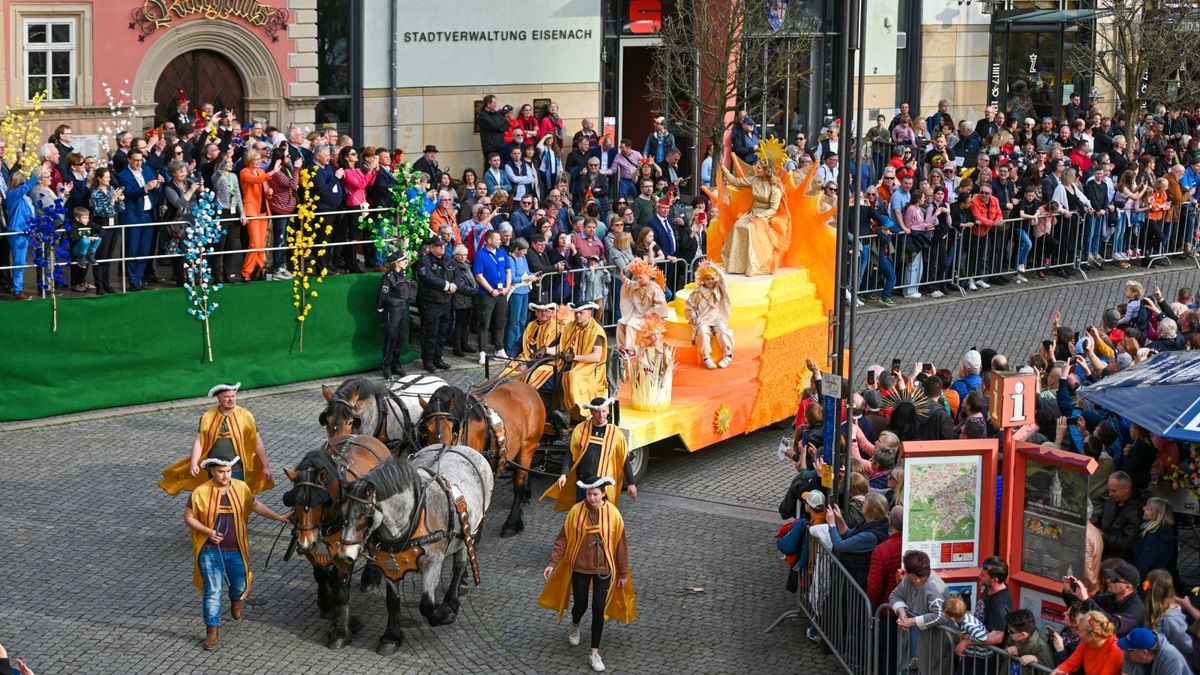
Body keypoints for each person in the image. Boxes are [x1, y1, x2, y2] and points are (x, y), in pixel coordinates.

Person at [183, 444, 291, 651]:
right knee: (212, 592)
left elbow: (255, 505)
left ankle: (236, 600)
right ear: (212, 471)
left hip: (236, 550)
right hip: (210, 552)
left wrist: (278, 517)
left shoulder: (241, 488)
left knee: (240, 585)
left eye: (228, 471)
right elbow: (188, 517)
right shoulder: (200, 493)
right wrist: (207, 532)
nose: (225, 475)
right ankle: (212, 631)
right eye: (221, 471)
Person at [539, 476, 636, 673]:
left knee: (599, 608)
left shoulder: (614, 514)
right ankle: (575, 623)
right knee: (580, 605)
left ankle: (594, 652)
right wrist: (552, 562)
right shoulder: (576, 511)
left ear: (603, 494)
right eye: (588, 494)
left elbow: (620, 544)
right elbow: (563, 538)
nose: (591, 498)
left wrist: (623, 572)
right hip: (580, 567)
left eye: (595, 494)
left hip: (604, 569)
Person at [159, 383, 276, 496]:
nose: (231, 399)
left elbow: (257, 442)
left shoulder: (246, 415)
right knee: (216, 498)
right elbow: (199, 442)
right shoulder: (208, 416)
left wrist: (265, 466)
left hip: (237, 468)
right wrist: (194, 462)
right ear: (219, 398)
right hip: (214, 469)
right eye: (226, 397)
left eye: (233, 396)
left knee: (238, 498)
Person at [544, 397, 638, 512]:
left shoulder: (616, 434)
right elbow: (570, 453)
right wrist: (564, 474)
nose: (601, 415)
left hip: (603, 487)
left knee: (602, 518)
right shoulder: (580, 429)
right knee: (581, 516)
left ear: (607, 411)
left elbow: (624, 459)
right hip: (582, 484)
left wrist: (631, 483)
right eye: (598, 412)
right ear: (591, 412)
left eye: (604, 411)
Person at [890, 550, 951, 675]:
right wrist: (902, 612)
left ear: (912, 574)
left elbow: (940, 615)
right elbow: (895, 595)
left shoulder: (933, 588)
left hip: (933, 646)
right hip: (915, 646)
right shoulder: (909, 580)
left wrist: (911, 621)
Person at [720, 160, 783, 276]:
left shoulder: (775, 187)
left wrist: (758, 216)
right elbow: (735, 181)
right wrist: (723, 168)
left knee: (750, 228)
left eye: (759, 168)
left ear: (766, 170)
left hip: (765, 215)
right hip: (753, 212)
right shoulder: (754, 179)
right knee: (738, 225)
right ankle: (737, 265)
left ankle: (755, 266)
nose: (756, 169)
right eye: (756, 167)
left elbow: (773, 209)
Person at [1062, 562, 1146, 637]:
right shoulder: (1109, 598)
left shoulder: (1136, 610)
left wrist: (1086, 600)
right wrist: (1069, 592)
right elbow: (1079, 608)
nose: (1108, 580)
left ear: (1128, 587)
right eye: (1109, 577)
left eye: (1114, 579)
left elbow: (1113, 625)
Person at [559, 302, 609, 418]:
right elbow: (561, 348)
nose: (578, 316)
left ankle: (574, 411)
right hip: (571, 362)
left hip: (590, 367)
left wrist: (574, 357)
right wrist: (545, 349)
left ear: (590, 314)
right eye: (576, 313)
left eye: (581, 313)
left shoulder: (597, 331)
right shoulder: (571, 326)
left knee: (573, 375)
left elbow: (596, 357)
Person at [685, 261, 734, 369]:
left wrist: (714, 268)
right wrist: (694, 317)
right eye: (707, 278)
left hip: (717, 318)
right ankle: (706, 357)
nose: (710, 281)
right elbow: (689, 306)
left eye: (712, 278)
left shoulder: (719, 289)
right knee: (702, 330)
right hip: (703, 319)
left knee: (722, 329)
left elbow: (723, 279)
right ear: (703, 279)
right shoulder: (697, 292)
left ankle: (728, 354)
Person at [416, 236, 455, 372]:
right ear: (432, 248)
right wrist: (446, 285)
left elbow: (456, 274)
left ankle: (438, 358)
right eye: (439, 246)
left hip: (446, 302)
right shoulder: (424, 261)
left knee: (442, 333)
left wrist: (454, 284)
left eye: (443, 246)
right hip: (431, 302)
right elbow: (429, 278)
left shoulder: (448, 259)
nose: (442, 248)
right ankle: (428, 361)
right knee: (431, 334)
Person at [473, 229, 512, 364]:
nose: (500, 241)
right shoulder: (481, 255)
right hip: (487, 295)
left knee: (501, 321)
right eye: (497, 239)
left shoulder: (502, 253)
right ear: (489, 240)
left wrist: (507, 287)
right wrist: (490, 290)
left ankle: (499, 349)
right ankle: (482, 352)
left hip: (501, 293)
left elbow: (508, 271)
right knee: (484, 323)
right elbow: (479, 276)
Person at [498, 301, 560, 387]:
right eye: (540, 310)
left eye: (547, 311)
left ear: (551, 313)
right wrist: (511, 357)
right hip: (526, 358)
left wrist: (528, 365)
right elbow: (520, 343)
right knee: (506, 371)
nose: (543, 313)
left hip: (546, 362)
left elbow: (549, 355)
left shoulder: (556, 329)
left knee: (529, 376)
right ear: (536, 313)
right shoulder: (531, 325)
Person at [615, 258, 668, 358]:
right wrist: (624, 279)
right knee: (621, 322)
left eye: (641, 278)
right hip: (638, 314)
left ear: (648, 276)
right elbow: (629, 284)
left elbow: (661, 305)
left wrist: (650, 312)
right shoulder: (637, 285)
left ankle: (631, 349)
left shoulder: (655, 288)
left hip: (650, 317)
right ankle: (622, 347)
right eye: (637, 278)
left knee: (631, 324)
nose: (638, 280)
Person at [377, 251, 415, 378]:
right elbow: (383, 296)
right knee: (391, 338)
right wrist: (382, 309)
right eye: (404, 260)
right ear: (396, 263)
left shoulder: (404, 274)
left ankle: (396, 364)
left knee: (401, 337)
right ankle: (386, 366)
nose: (406, 262)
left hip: (402, 310)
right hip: (392, 311)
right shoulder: (389, 277)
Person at [1050, 610, 1123, 675]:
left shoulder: (1116, 649)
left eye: (1080, 630)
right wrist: (1058, 671)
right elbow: (1070, 663)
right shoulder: (1087, 642)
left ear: (1091, 635)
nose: (1077, 632)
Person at [1133, 497, 1178, 582]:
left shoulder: (1155, 537)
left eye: (1148, 508)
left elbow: (1144, 563)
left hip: (1147, 581)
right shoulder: (1160, 532)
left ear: (1157, 513)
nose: (1143, 508)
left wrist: (1134, 581)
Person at [1119, 627, 1190, 675]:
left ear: (1144, 653)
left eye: (1129, 649)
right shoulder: (1129, 655)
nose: (1125, 651)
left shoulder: (1170, 658)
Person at [1005, 608, 1056, 675]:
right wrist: (1008, 649)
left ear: (1023, 634)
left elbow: (1050, 671)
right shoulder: (1012, 638)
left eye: (1011, 631)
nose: (1009, 632)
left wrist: (1036, 660)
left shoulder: (1041, 647)